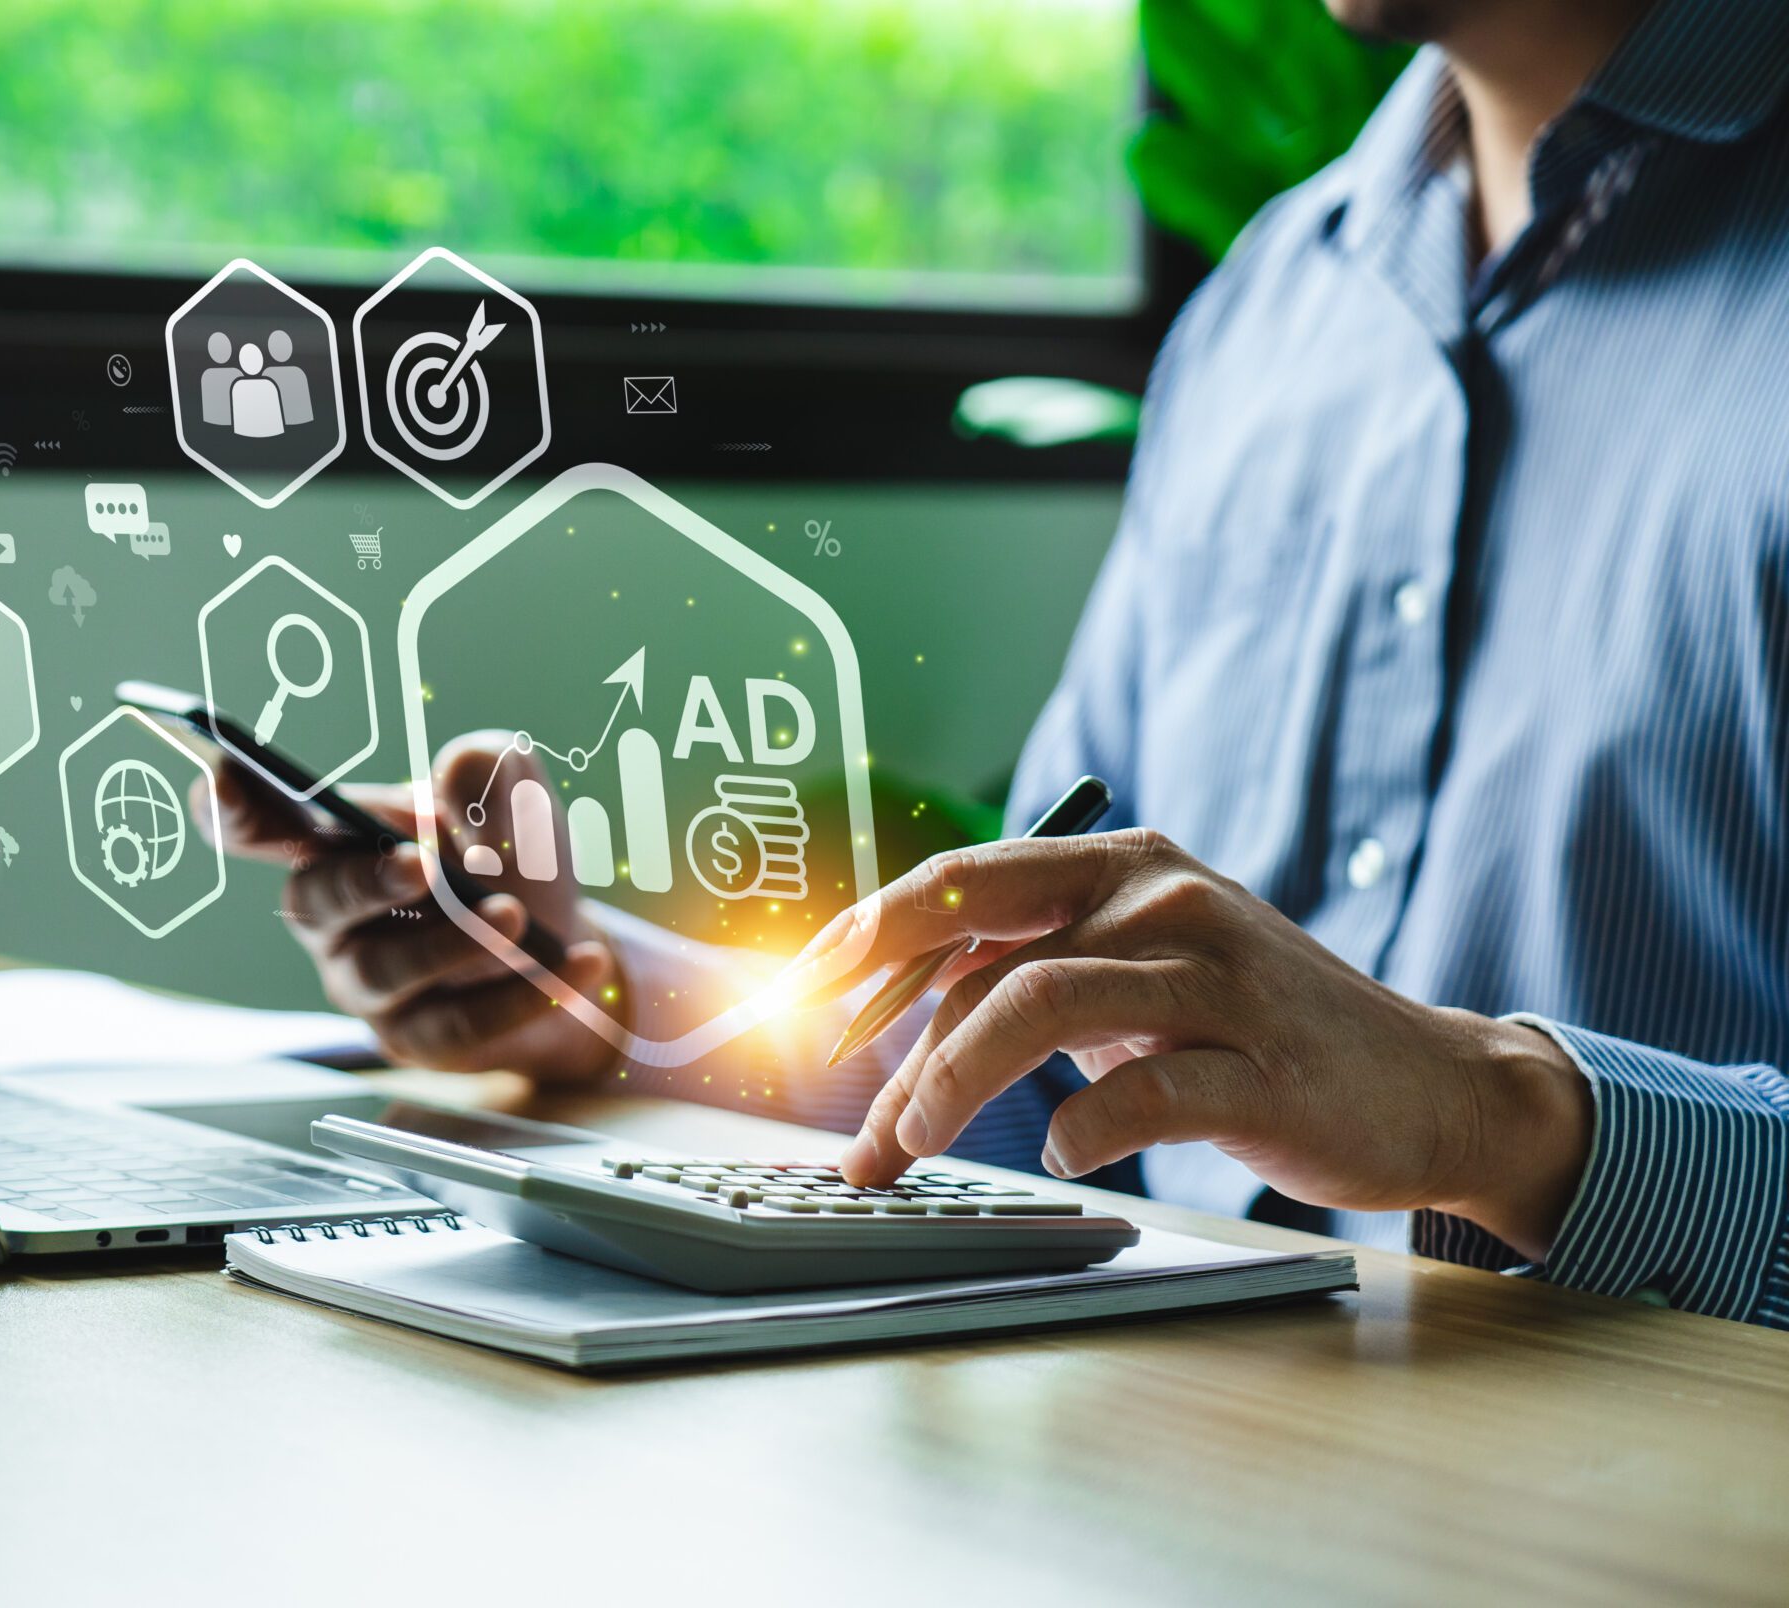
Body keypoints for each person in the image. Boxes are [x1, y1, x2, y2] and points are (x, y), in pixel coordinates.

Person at [211, 0, 1789, 1329]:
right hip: (1190, 1465)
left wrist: (1494, 1117)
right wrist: (597, 995)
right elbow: (1030, 1044)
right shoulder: (1268, 311)